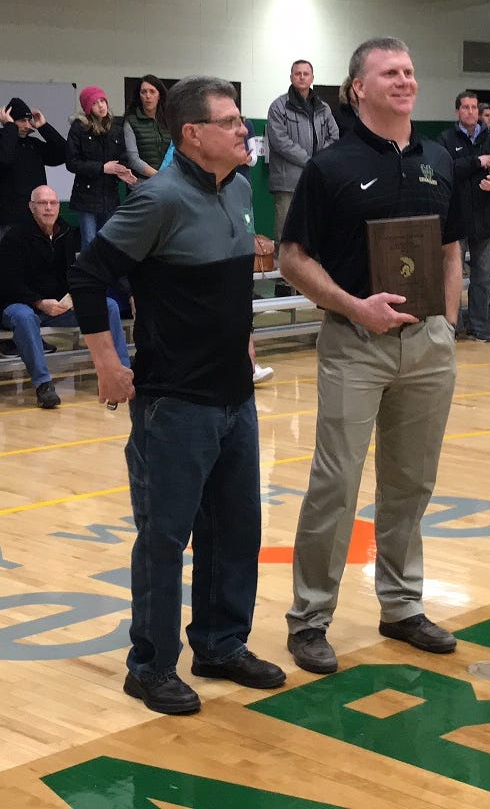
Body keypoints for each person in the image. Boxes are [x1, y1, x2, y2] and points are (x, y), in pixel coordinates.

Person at [66, 75, 286, 715]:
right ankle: (150, 666)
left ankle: (220, 645)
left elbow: (229, 285)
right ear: (193, 134)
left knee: (236, 530)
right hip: (175, 403)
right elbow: (88, 276)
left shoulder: (238, 189)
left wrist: (245, 338)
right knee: (164, 538)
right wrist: (107, 363)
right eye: (231, 121)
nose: (244, 130)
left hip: (235, 398)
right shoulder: (157, 199)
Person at [280, 37, 465, 675]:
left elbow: (451, 248)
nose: (405, 81)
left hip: (428, 345)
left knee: (411, 482)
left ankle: (402, 605)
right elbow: (292, 258)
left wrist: (448, 322)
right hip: (355, 344)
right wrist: (356, 307)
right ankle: (309, 619)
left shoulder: (439, 159)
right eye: (390, 72)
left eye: (410, 71)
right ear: (358, 87)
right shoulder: (328, 167)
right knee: (336, 483)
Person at [0, 185, 128, 409]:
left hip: (57, 306)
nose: (48, 208)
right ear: (32, 207)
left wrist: (75, 295)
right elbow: (8, 284)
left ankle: (120, 372)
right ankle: (43, 385)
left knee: (108, 305)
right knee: (25, 317)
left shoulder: (65, 232)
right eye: (43, 203)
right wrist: (38, 302)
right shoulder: (14, 238)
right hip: (17, 305)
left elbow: (71, 273)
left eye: (53, 203)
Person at [440, 90, 490, 342]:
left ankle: (480, 326)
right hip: (457, 217)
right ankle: (452, 325)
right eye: (466, 107)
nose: (470, 111)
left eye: (474, 107)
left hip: (488, 217)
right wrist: (476, 162)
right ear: (457, 111)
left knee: (484, 278)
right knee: (451, 277)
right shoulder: (446, 139)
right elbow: (445, 169)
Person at [265, 60, 339, 266]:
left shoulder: (323, 108)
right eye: (298, 73)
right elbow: (279, 141)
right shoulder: (279, 106)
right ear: (291, 77)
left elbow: (334, 136)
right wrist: (310, 161)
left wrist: (319, 161)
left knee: (315, 227)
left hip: (316, 180)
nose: (302, 77)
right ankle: (283, 275)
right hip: (287, 181)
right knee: (285, 230)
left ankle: (311, 273)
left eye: (306, 73)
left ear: (312, 78)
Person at [0, 97, 66, 242]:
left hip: (36, 217)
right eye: (22, 121)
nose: (27, 125)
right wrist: (10, 127)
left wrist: (43, 127)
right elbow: (5, 158)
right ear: (10, 121)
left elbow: (64, 153)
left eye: (29, 120)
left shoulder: (33, 144)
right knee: (11, 256)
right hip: (10, 217)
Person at [67, 86, 135, 248]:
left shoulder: (116, 128)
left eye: (102, 101)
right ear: (87, 107)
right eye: (95, 103)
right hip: (87, 195)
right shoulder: (79, 128)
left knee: (107, 242)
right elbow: (72, 162)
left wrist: (122, 171)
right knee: (89, 241)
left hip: (110, 195)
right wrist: (102, 168)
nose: (101, 105)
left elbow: (123, 157)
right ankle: (88, 266)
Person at [121, 74, 170, 181]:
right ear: (139, 95)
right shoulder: (131, 121)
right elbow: (133, 159)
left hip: (169, 182)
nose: (148, 96)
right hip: (142, 183)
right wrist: (159, 176)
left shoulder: (170, 121)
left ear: (159, 95)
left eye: (152, 92)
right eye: (144, 92)